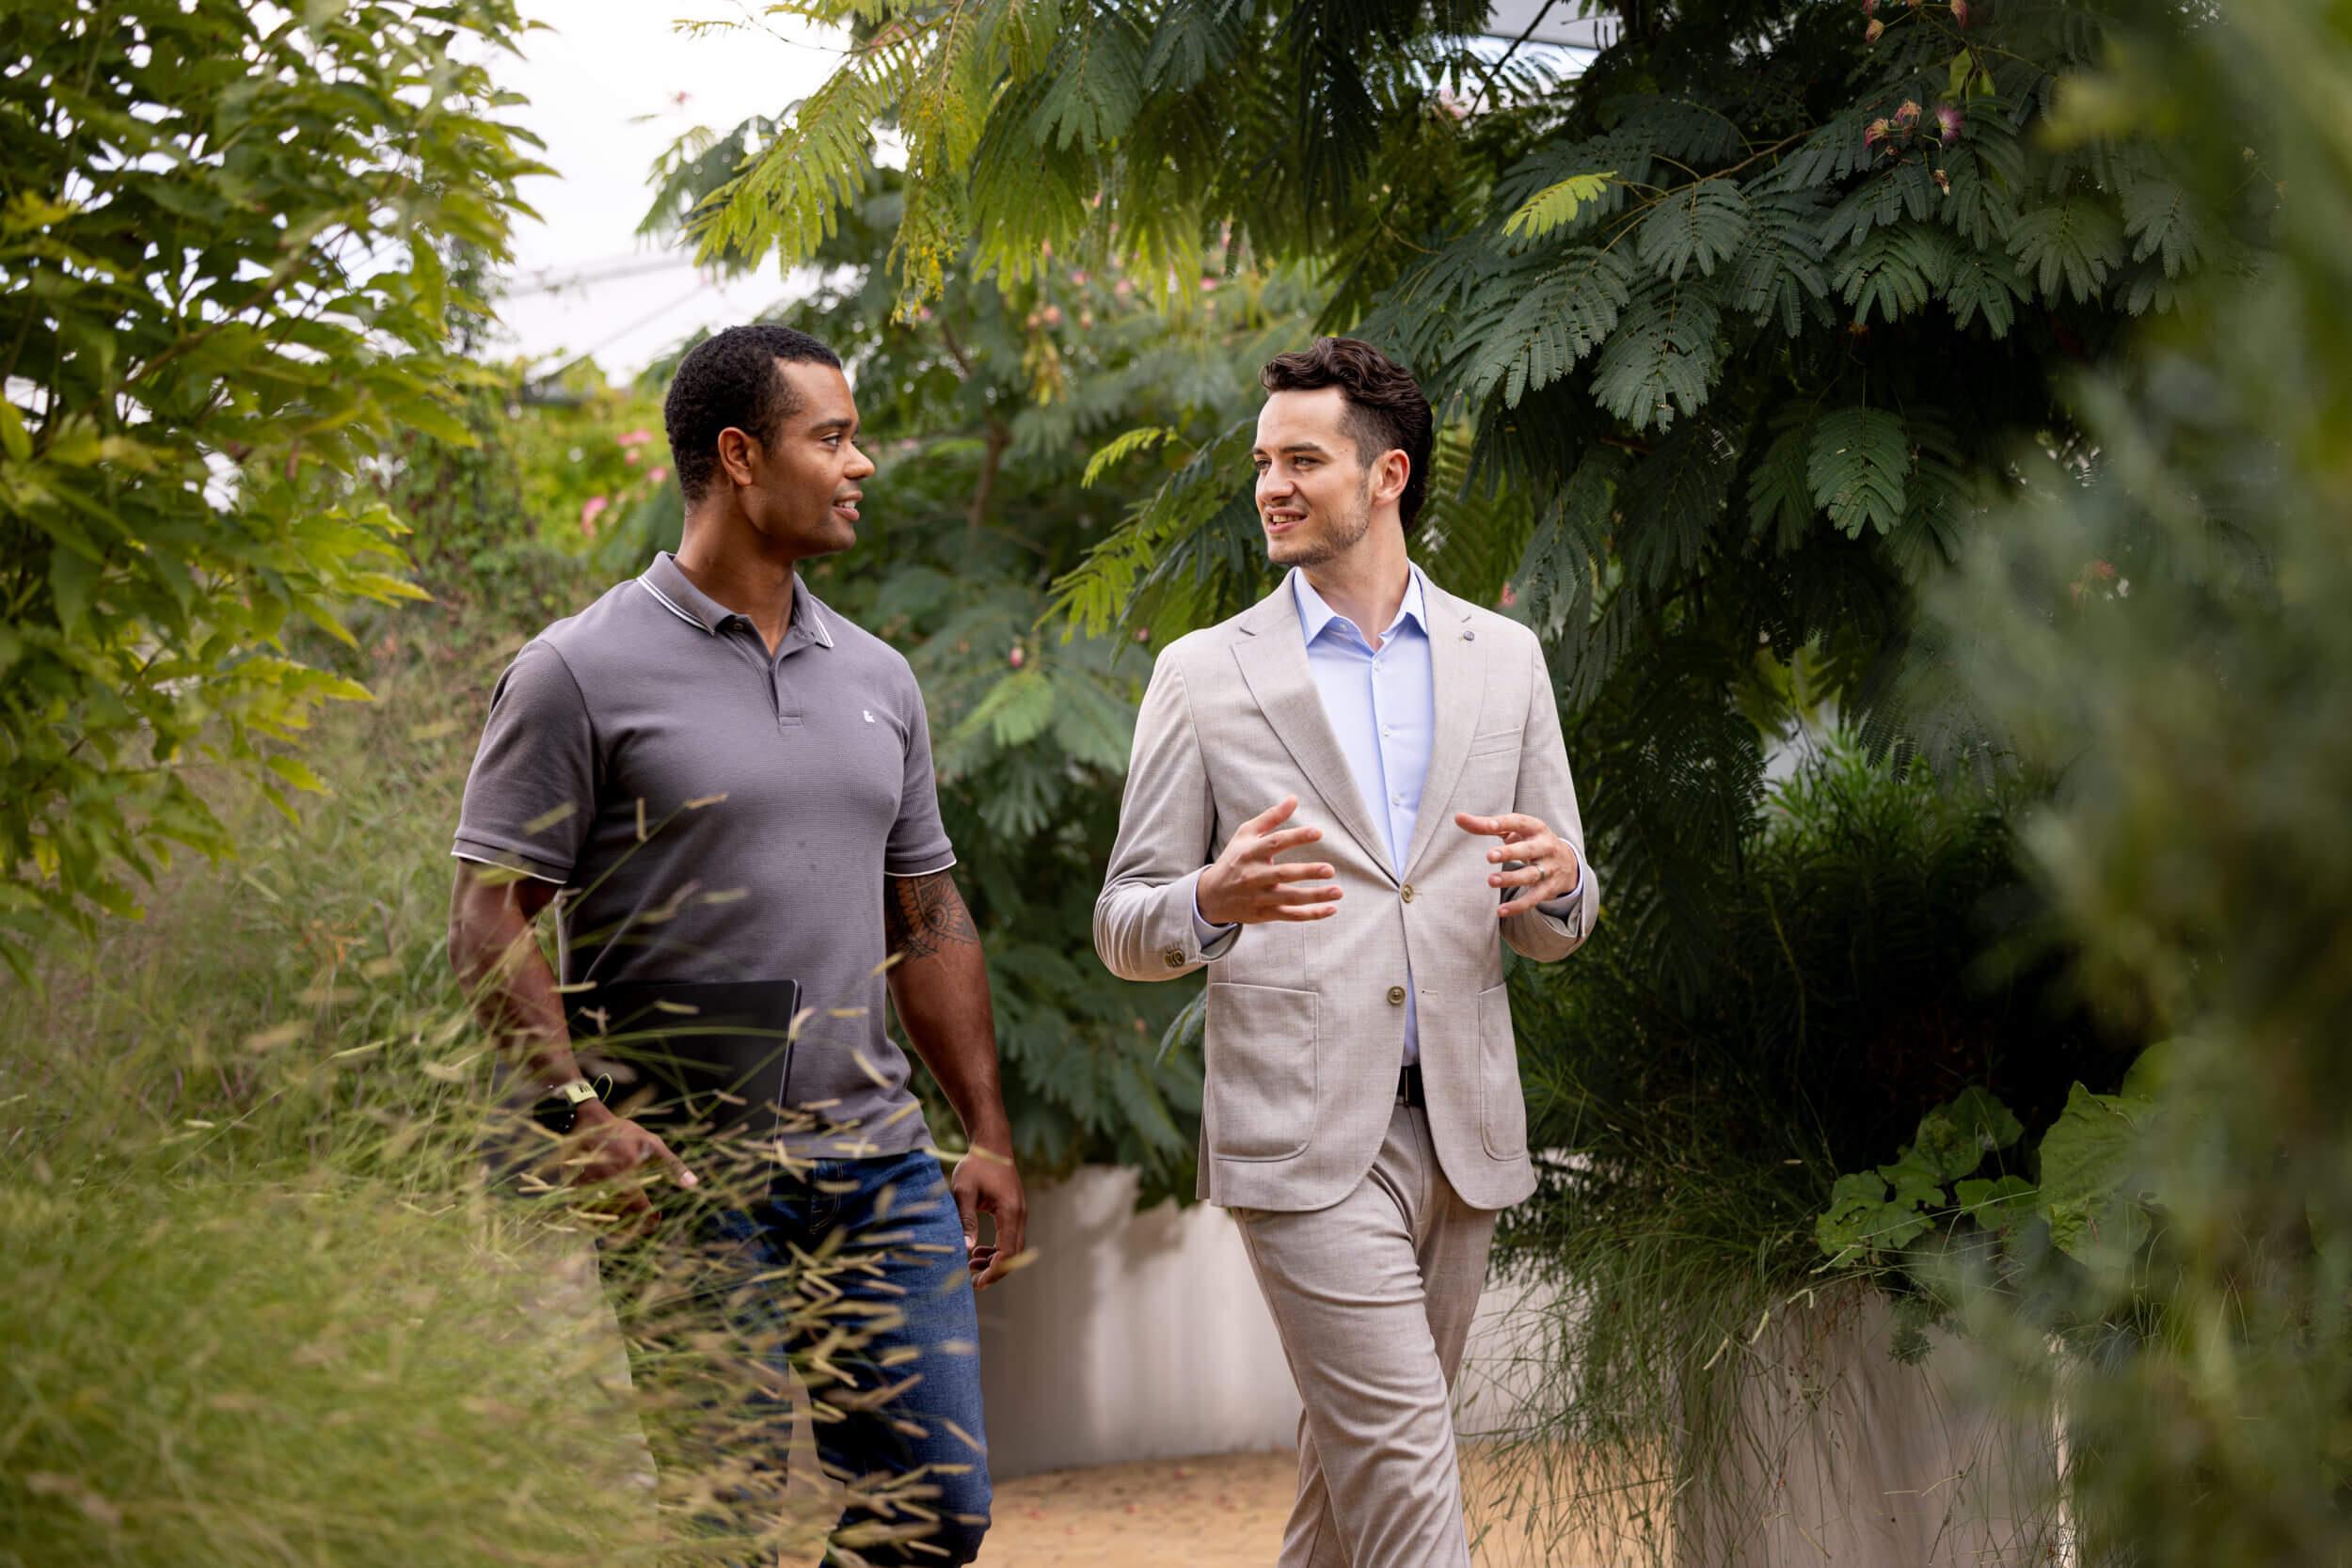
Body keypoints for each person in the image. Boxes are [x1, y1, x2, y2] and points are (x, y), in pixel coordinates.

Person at [446, 324, 1022, 1565]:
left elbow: (926, 912)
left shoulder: (880, 677)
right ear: (740, 457)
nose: (861, 463)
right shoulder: (578, 672)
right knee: (730, 1517)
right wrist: (576, 1120)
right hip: (685, 1171)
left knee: (939, 1514)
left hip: (876, 1163)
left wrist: (983, 1130)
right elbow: (486, 918)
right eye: (833, 438)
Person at [1094, 337, 1598, 1567]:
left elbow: (1555, 914)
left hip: (1463, 1140)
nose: (1270, 484)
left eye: (1301, 459)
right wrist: (1212, 895)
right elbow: (1125, 922)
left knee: (1350, 1492)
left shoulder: (1506, 662)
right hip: (1304, 1144)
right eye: (1263, 461)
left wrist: (1562, 887)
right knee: (1411, 1475)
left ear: (1386, 476)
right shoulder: (1204, 675)